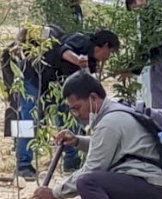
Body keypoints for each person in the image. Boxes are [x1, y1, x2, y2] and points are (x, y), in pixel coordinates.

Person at [31, 72, 162, 199]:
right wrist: (77, 141)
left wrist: (55, 193)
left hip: (149, 189)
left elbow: (93, 169)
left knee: (88, 181)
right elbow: (109, 146)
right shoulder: (115, 113)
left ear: (93, 98)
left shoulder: (110, 122)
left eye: (77, 108)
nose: (77, 114)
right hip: (147, 189)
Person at [15, 29, 121, 181]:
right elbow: (62, 51)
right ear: (104, 46)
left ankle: (71, 161)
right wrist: (78, 60)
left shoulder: (91, 62)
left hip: (56, 87)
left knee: (67, 119)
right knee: (29, 120)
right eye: (110, 52)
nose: (108, 57)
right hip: (33, 78)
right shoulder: (81, 40)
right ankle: (23, 165)